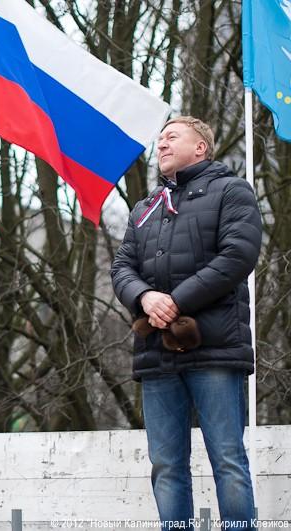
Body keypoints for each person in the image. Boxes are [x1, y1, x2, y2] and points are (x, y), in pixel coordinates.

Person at [111, 116, 262, 531]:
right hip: (156, 352)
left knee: (227, 459)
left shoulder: (232, 191)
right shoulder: (145, 208)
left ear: (201, 147)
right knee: (165, 464)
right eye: (158, 139)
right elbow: (122, 265)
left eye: (171, 137)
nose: (160, 145)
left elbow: (238, 256)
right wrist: (144, 297)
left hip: (215, 349)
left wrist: (174, 301)